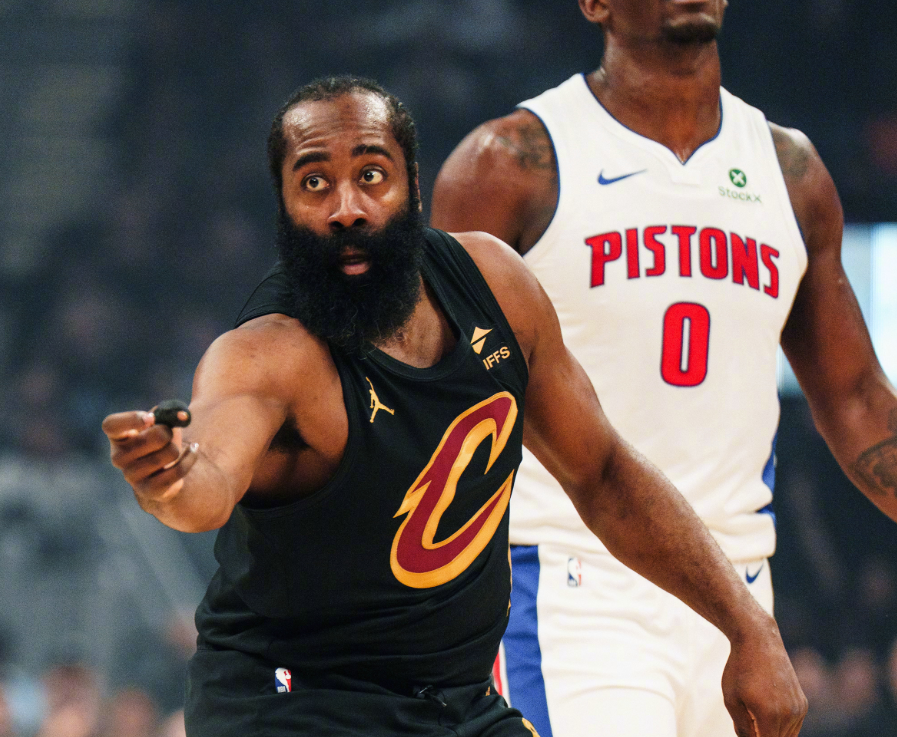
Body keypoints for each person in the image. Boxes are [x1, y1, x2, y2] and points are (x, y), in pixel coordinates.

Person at [103, 76, 806, 737]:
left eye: (370, 175)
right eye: (314, 183)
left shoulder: (496, 286)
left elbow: (604, 474)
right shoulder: (268, 353)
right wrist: (169, 477)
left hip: (455, 701)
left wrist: (750, 627)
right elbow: (205, 486)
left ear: (413, 185)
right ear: (283, 206)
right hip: (292, 698)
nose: (346, 207)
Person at [429, 1, 897, 736]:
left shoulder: (791, 172)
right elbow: (429, 402)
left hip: (742, 595)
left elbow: (856, 398)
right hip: (573, 585)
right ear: (594, 3)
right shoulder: (508, 164)